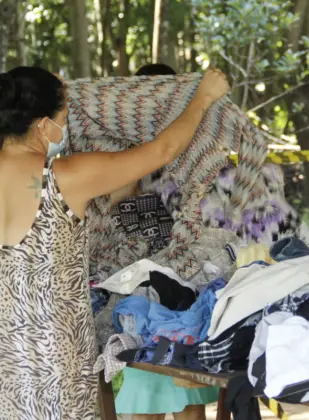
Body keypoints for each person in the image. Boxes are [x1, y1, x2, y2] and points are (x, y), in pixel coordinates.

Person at [0, 65, 229, 419]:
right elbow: (162, 150)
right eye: (64, 114)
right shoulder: (65, 177)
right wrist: (203, 97)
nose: (66, 124)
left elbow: (8, 145)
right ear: (42, 124)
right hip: (49, 341)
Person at [111, 63, 220, 420]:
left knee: (186, 388)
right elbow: (120, 209)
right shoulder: (125, 151)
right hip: (144, 294)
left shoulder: (196, 146)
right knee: (147, 388)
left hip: (189, 290)